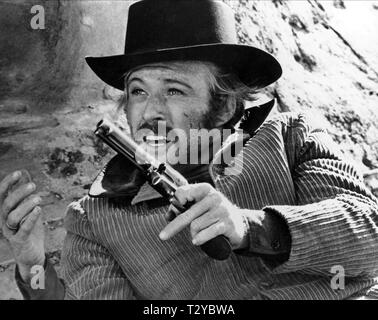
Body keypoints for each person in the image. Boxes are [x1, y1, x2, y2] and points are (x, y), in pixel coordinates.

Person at [1, 0, 378, 300]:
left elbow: (370, 237)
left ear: (226, 105)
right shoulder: (93, 219)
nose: (148, 112)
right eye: (138, 91)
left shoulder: (291, 135)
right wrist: (32, 265)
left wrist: (251, 228)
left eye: (174, 90)